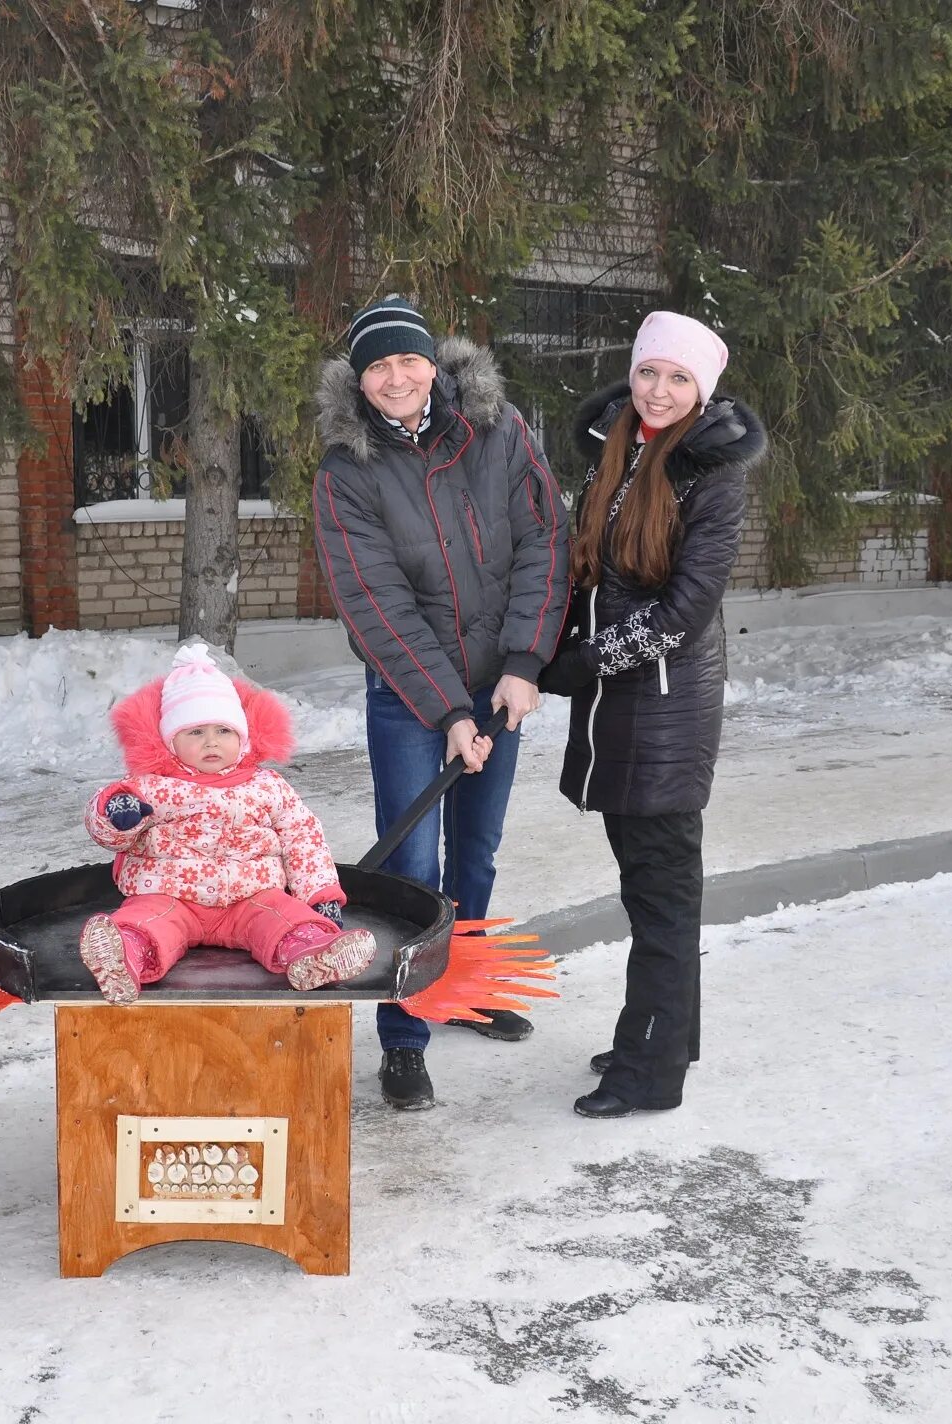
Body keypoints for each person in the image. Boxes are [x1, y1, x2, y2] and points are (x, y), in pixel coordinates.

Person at [312, 294, 571, 1110]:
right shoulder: (346, 470)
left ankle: (461, 989)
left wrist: (526, 663)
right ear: (360, 380)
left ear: (434, 363)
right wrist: (448, 711)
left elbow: (544, 539)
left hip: (501, 686)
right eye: (378, 365)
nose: (396, 378)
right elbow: (374, 601)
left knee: (478, 853)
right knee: (413, 864)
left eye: (408, 360)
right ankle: (403, 1036)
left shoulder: (498, 431)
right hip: (409, 695)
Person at [540, 310, 767, 1119]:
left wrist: (576, 666)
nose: (660, 391)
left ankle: (650, 1073)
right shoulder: (620, 454)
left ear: (702, 389)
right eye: (648, 373)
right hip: (619, 711)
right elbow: (590, 576)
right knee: (648, 892)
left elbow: (683, 611)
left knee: (664, 899)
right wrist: (545, 653)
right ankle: (661, 1033)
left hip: (663, 715)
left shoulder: (713, 475)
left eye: (679, 378)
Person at [78, 644, 376, 1004]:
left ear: (242, 737)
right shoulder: (151, 786)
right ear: (170, 741)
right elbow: (104, 828)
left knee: (284, 918)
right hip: (170, 895)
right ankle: (123, 956)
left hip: (250, 897)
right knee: (146, 920)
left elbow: (303, 839)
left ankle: (314, 952)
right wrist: (115, 813)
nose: (211, 742)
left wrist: (320, 896)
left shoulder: (266, 786)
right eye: (196, 733)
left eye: (223, 731)